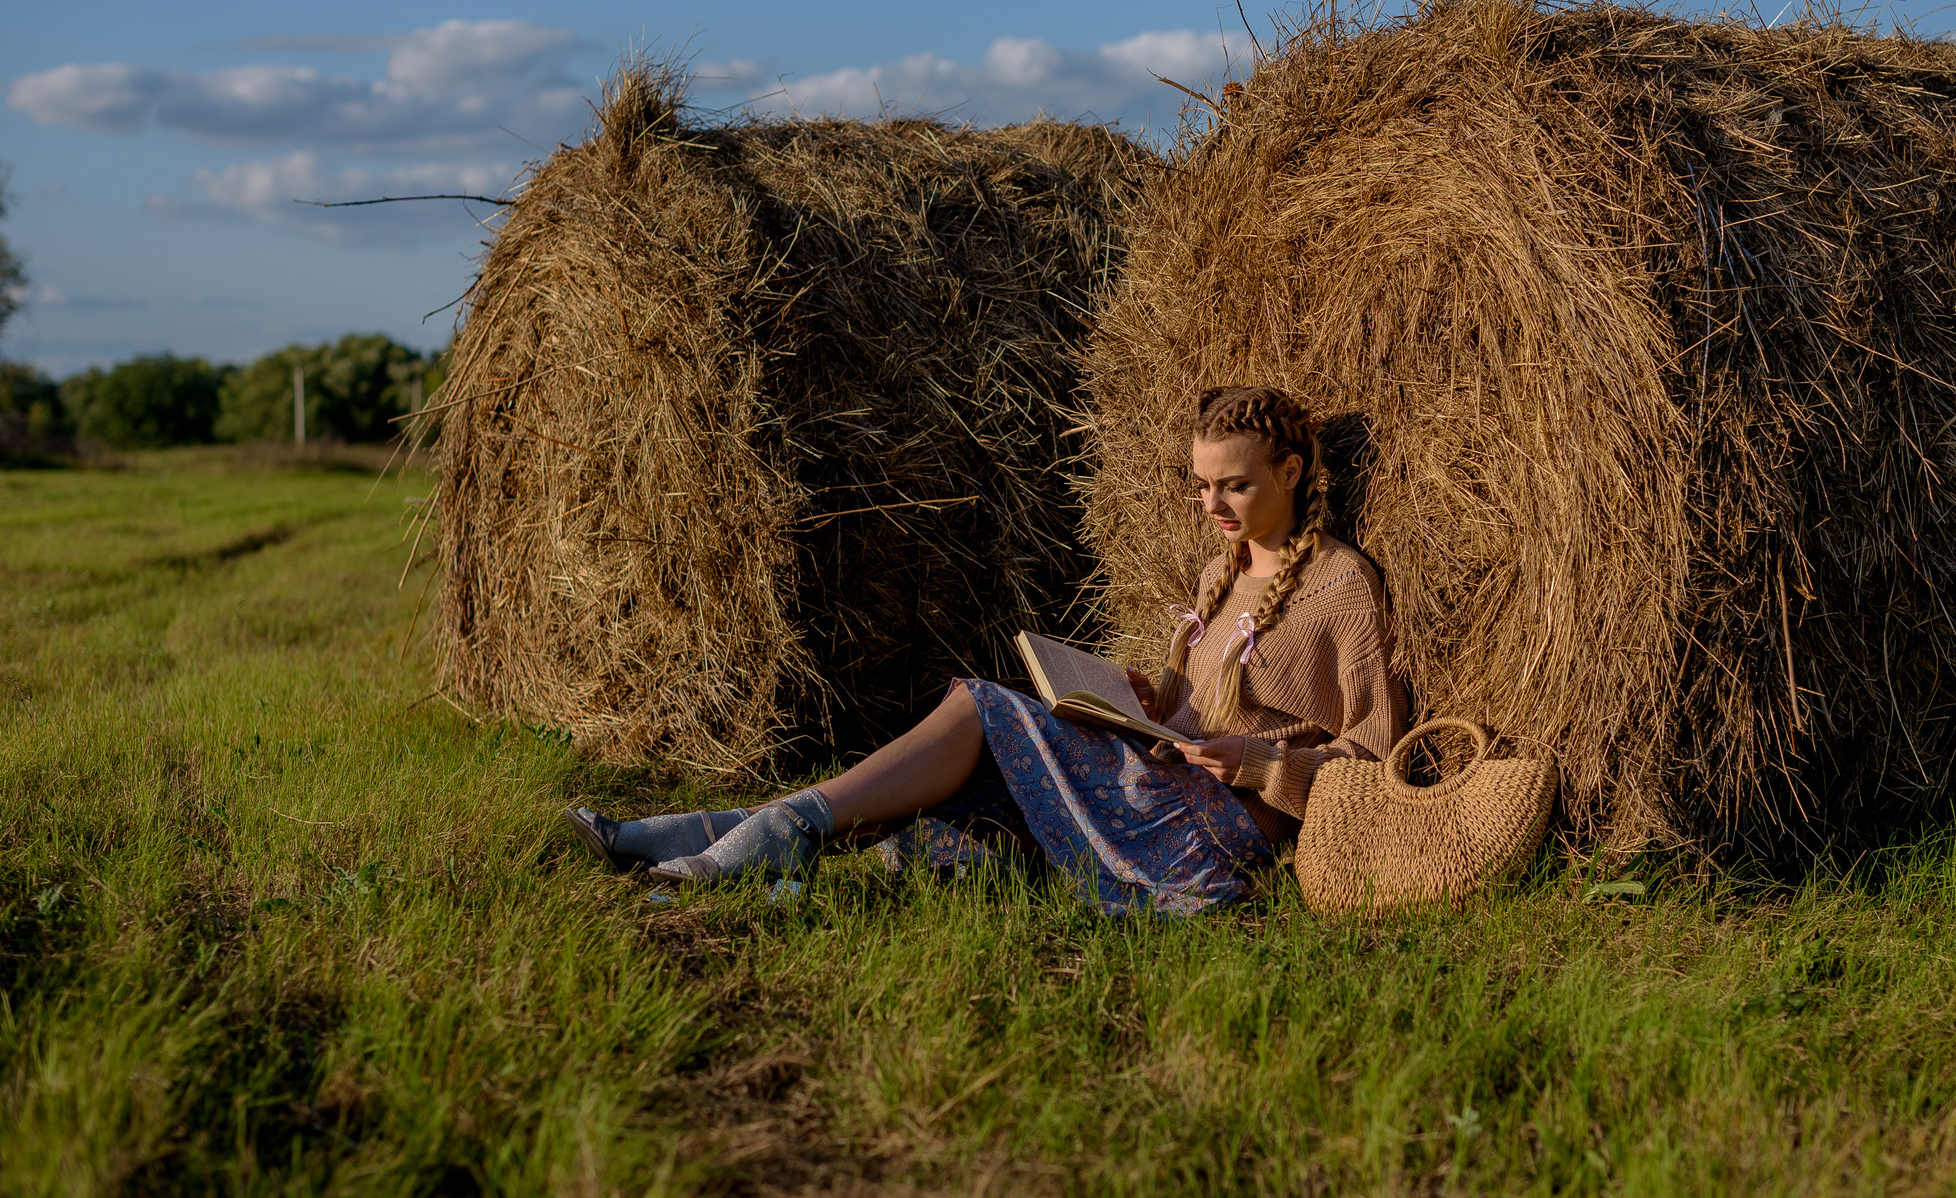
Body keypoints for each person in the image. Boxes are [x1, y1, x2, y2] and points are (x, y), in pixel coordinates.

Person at [565, 386, 1406, 916]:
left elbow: (1375, 757)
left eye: (1235, 483)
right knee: (951, 805)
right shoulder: (1217, 574)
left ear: (1292, 472)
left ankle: (769, 831)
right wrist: (1155, 701)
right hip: (1148, 778)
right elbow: (1202, 710)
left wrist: (1260, 762)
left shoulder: (1341, 588)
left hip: (1200, 829)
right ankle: (710, 837)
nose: (1211, 502)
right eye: (1200, 483)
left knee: (979, 704)